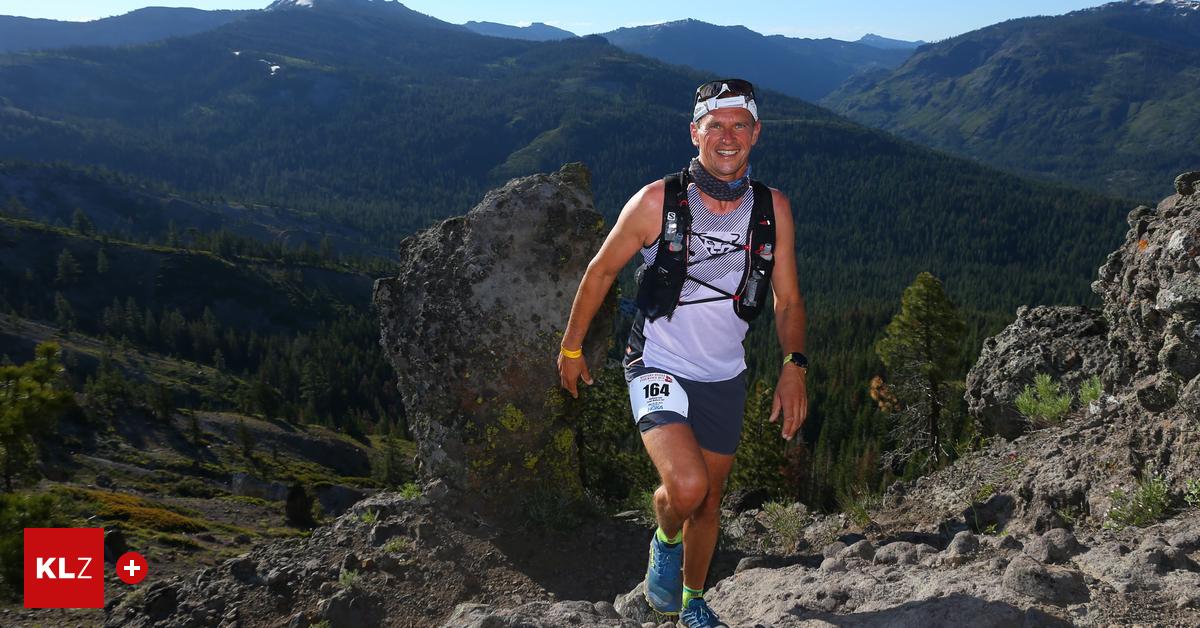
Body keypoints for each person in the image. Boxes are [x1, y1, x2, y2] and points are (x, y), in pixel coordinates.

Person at [557, 78, 809, 627]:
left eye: (739, 124)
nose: (727, 136)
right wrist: (572, 346)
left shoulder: (773, 210)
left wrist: (794, 366)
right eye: (714, 124)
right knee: (688, 486)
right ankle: (664, 540)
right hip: (657, 360)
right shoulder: (657, 201)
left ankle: (693, 601)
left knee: (710, 501)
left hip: (725, 374)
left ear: (756, 134)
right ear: (694, 132)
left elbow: (788, 301)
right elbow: (601, 271)